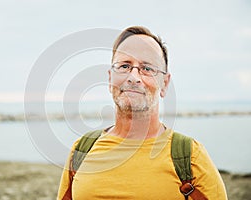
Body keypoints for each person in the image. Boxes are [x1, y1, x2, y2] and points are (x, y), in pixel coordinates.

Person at [57, 26, 227, 199]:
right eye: (124, 66)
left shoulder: (190, 157)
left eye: (147, 68)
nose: (134, 77)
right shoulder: (81, 150)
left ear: (165, 84)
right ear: (110, 79)